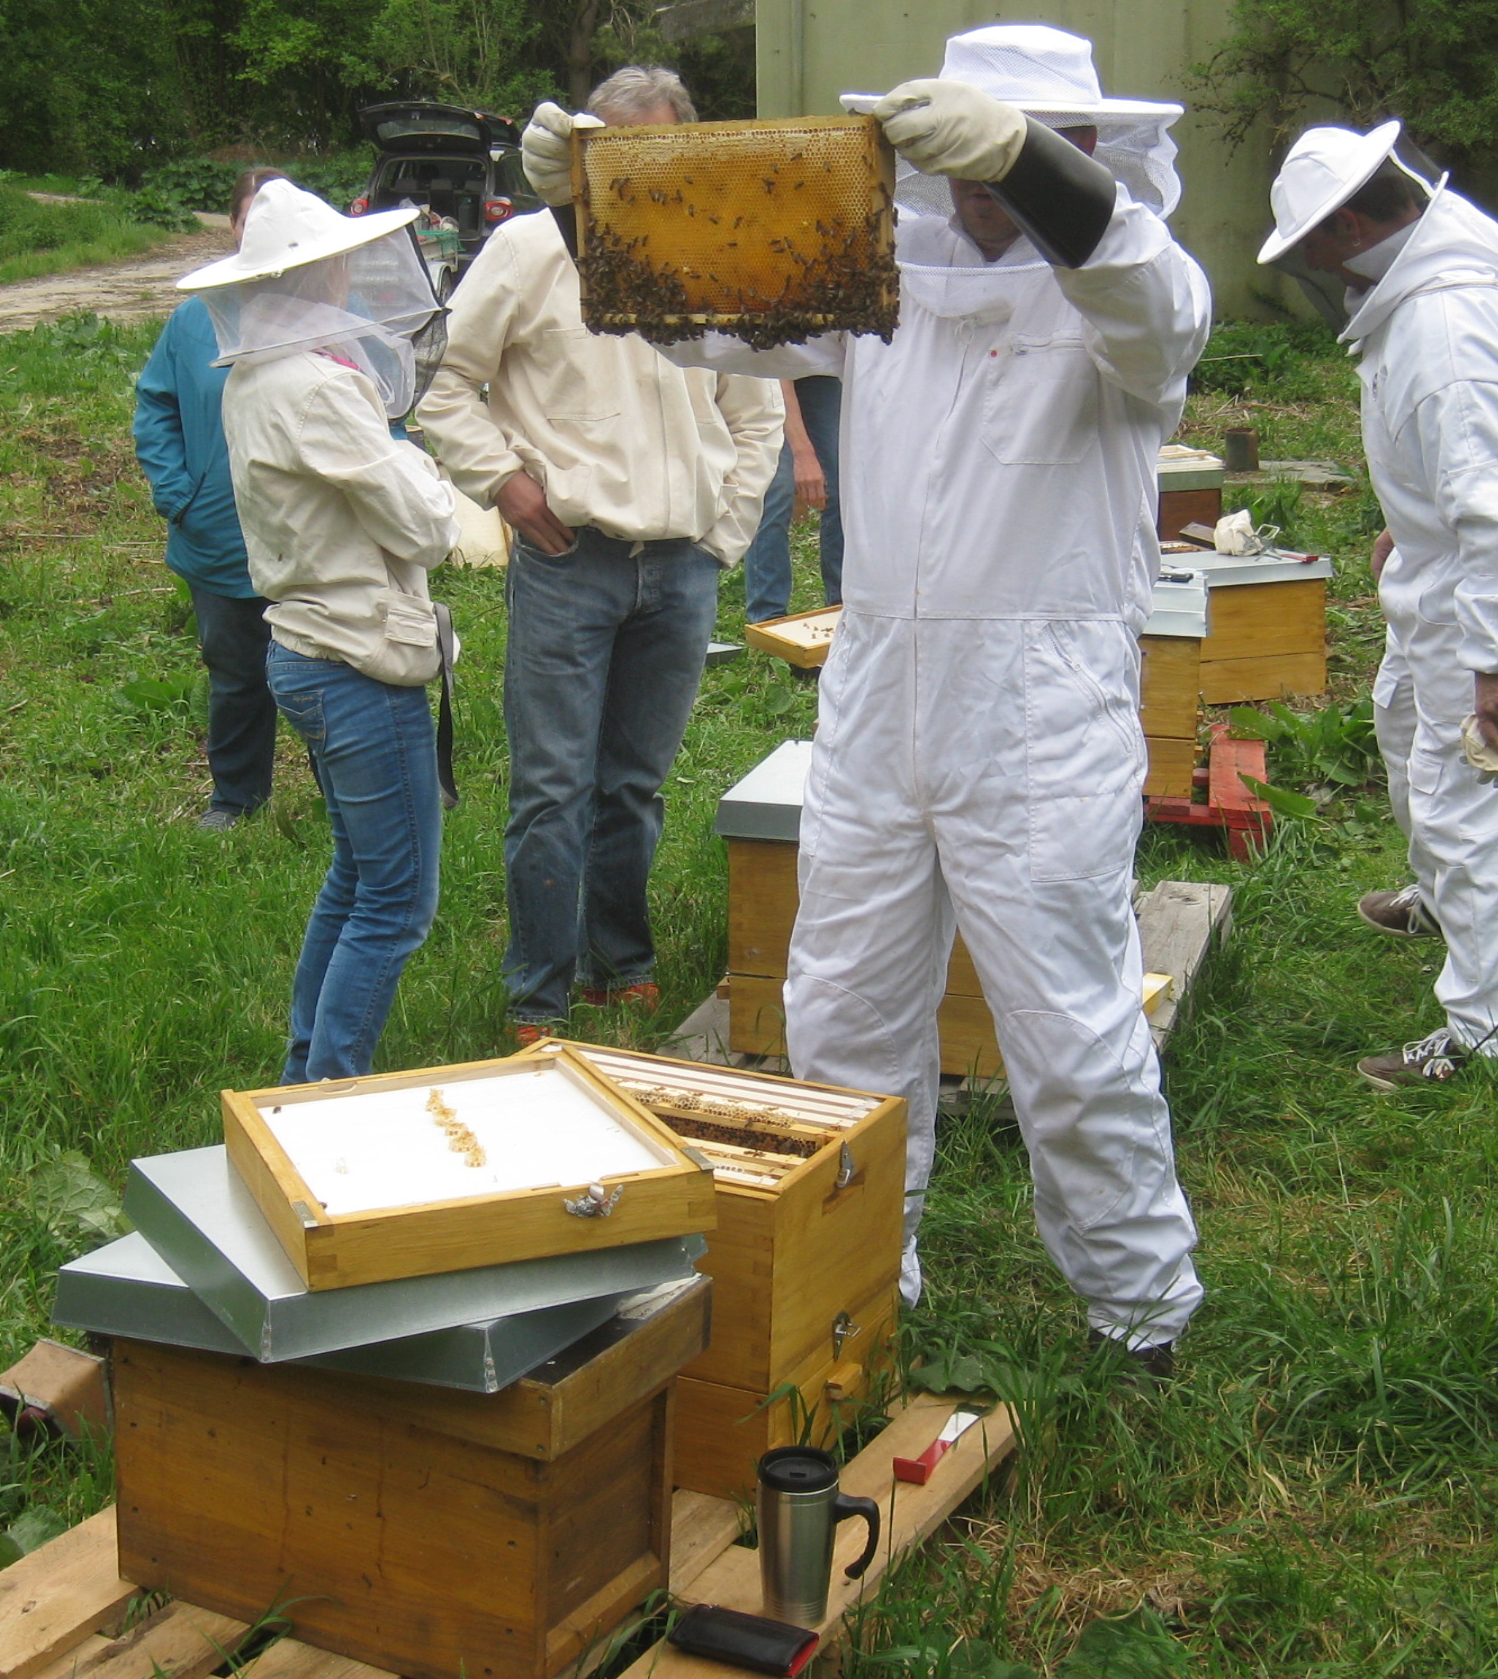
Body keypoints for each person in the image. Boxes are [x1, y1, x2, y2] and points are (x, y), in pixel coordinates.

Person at [527, 26, 1209, 1370]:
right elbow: (697, 308)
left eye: (1002, 158)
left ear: (1080, 146)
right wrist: (578, 205)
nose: (971, 193)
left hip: (1040, 704)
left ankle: (1141, 1316)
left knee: (1068, 1029)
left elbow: (1144, 292)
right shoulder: (877, 282)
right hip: (877, 691)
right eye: (957, 161)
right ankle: (854, 1286)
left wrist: (1022, 158)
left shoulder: (1128, 300)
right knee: (841, 1007)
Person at [418, 65, 783, 1046]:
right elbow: (444, 384)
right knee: (551, 783)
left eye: (659, 151)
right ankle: (539, 993)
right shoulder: (527, 249)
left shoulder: (710, 246)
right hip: (569, 554)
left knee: (634, 782)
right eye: (620, 155)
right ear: (585, 153)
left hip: (678, 567)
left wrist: (721, 532)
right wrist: (505, 483)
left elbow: (755, 412)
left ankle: (619, 962)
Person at [176, 179, 459, 1082]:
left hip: (305, 647)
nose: (347, 277)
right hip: (354, 661)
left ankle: (306, 1069)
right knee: (398, 900)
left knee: (357, 873)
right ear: (320, 275)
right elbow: (428, 529)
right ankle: (330, 1094)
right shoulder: (313, 389)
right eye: (336, 264)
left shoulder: (256, 376)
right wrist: (426, 473)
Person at [1260, 125, 1498, 1087]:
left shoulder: (1447, 330)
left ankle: (1482, 1031)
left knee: (1466, 805)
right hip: (1438, 572)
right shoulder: (1442, 279)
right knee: (1404, 733)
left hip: (1473, 602)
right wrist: (1411, 519)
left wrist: (1491, 668)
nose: (1318, 266)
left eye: (1315, 245)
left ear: (1350, 222)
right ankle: (1444, 902)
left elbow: (1490, 509)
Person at [134, 167, 287, 830]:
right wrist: (178, 494)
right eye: (249, 219)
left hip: (310, 533)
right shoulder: (193, 319)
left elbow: (384, 411)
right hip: (218, 535)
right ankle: (236, 797)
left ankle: (354, 797)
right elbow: (156, 404)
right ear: (232, 227)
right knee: (236, 672)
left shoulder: (341, 312)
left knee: (334, 668)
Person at [742, 376, 843, 626]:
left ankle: (845, 607)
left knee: (843, 489)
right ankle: (768, 617)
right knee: (776, 492)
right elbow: (776, 372)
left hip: (814, 370)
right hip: (768, 366)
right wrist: (803, 454)